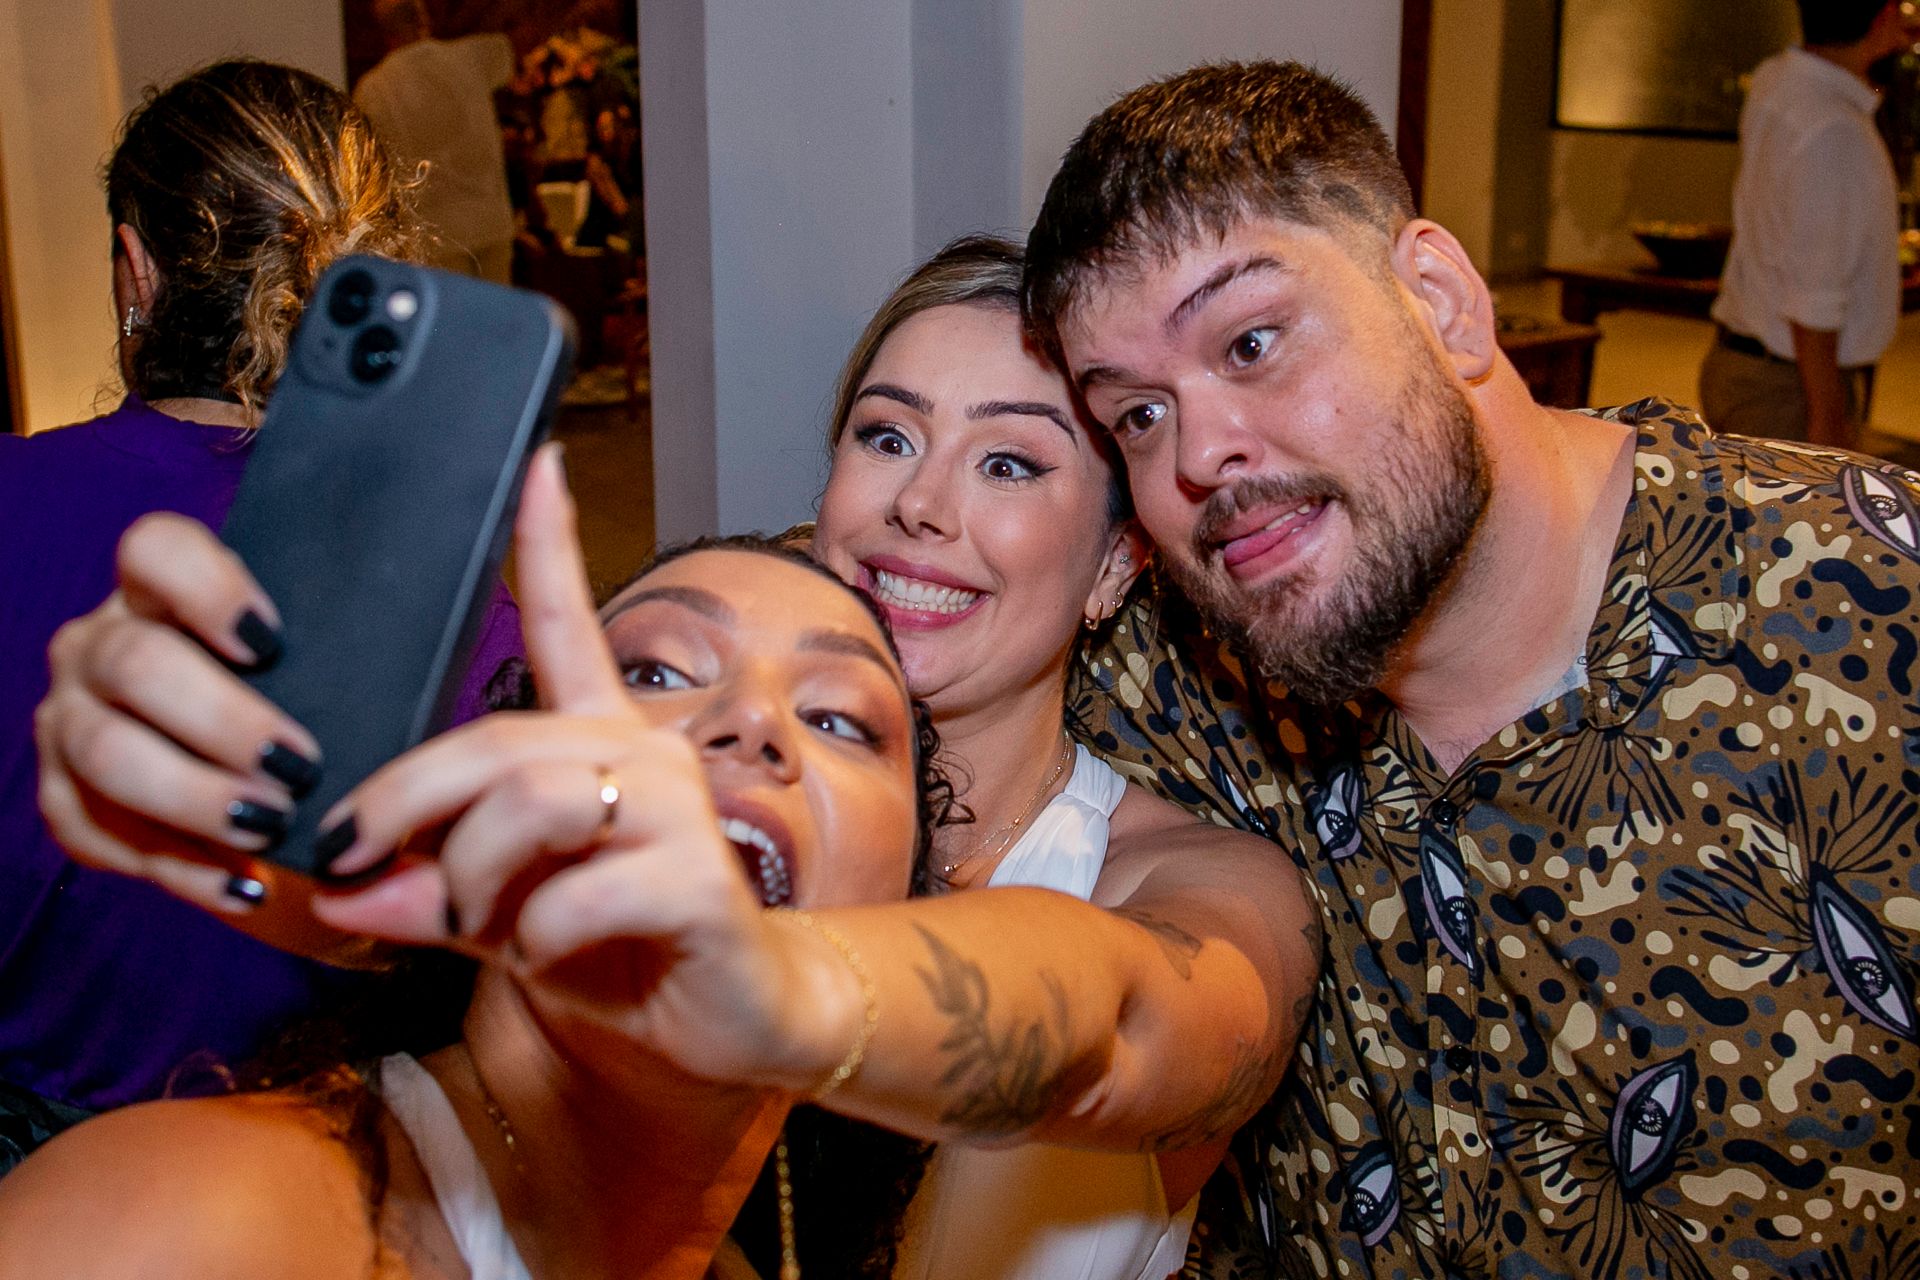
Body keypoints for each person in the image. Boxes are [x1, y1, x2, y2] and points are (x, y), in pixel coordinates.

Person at [1022, 59, 1920, 1279]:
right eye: (1136, 415)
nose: (1200, 456)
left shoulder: (1873, 608)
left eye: (1251, 341)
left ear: (1441, 299)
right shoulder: (1186, 672)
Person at [0, 448, 936, 1278]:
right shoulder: (198, 1217)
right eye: (653, 672)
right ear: (504, 781)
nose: (754, 722)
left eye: (840, 720)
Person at [0, 60, 521, 1170]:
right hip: (332, 1156)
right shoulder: (450, 561)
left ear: (136, 271)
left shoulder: (14, 503)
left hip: (43, 1157)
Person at [811, 235, 1319, 1278]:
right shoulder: (705, 807)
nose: (920, 505)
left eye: (1008, 462)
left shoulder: (1194, 879)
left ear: (1112, 568)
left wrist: (773, 981)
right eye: (887, 436)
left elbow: (1156, 1024)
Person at [1700, 0, 1919, 447]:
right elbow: (1813, 301)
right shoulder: (1833, 131)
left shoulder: (1778, 79)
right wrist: (1827, 424)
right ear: (1881, 18)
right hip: (1788, 387)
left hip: (1750, 365)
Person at [354, 0, 517, 282]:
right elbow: (509, 48)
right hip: (491, 223)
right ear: (424, 19)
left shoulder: (373, 89)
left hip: (435, 234)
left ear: (385, 32)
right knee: (494, 319)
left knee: (451, 321)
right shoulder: (470, 56)